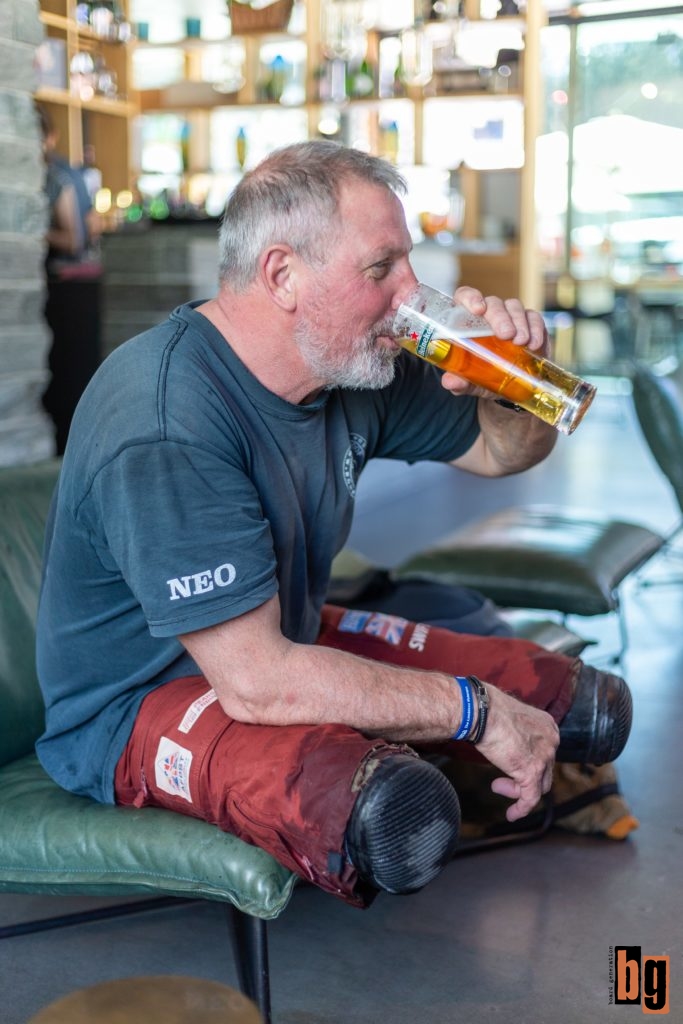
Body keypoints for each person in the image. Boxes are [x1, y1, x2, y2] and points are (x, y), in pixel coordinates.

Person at [35, 141, 632, 908]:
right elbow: (256, 686)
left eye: (408, 264)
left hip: (280, 639)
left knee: (578, 701)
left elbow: (497, 453)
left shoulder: (350, 361)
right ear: (282, 274)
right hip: (139, 706)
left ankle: (469, 756)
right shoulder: (167, 419)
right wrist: (472, 712)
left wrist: (516, 389)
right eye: (381, 269)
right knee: (394, 813)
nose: (412, 293)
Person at [38, 104, 103, 455]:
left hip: (67, 289)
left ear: (49, 137)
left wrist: (34, 231)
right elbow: (93, 223)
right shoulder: (72, 172)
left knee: (66, 384)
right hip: (81, 289)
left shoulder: (55, 175)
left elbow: (73, 240)